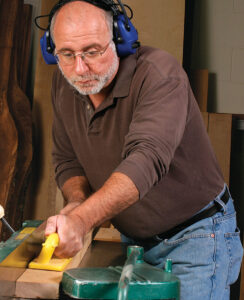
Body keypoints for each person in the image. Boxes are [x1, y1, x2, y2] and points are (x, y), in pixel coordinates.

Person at [42, 0, 243, 298]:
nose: (80, 68)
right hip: (137, 241)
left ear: (120, 39)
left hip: (196, 236)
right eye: (66, 54)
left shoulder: (159, 75)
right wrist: (75, 203)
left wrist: (82, 220)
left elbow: (145, 162)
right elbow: (68, 160)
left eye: (92, 51)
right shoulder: (65, 86)